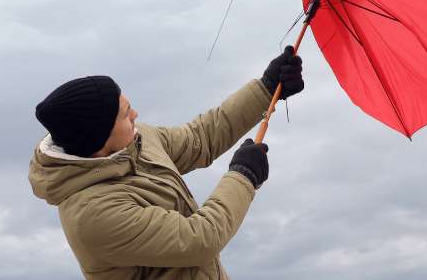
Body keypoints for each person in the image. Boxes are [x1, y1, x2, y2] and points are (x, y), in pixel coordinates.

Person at [29, 47, 304, 279]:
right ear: (99, 142)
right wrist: (242, 176)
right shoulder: (93, 216)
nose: (135, 115)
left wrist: (266, 89)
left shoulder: (136, 139)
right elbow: (200, 239)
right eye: (125, 115)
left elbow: (200, 138)